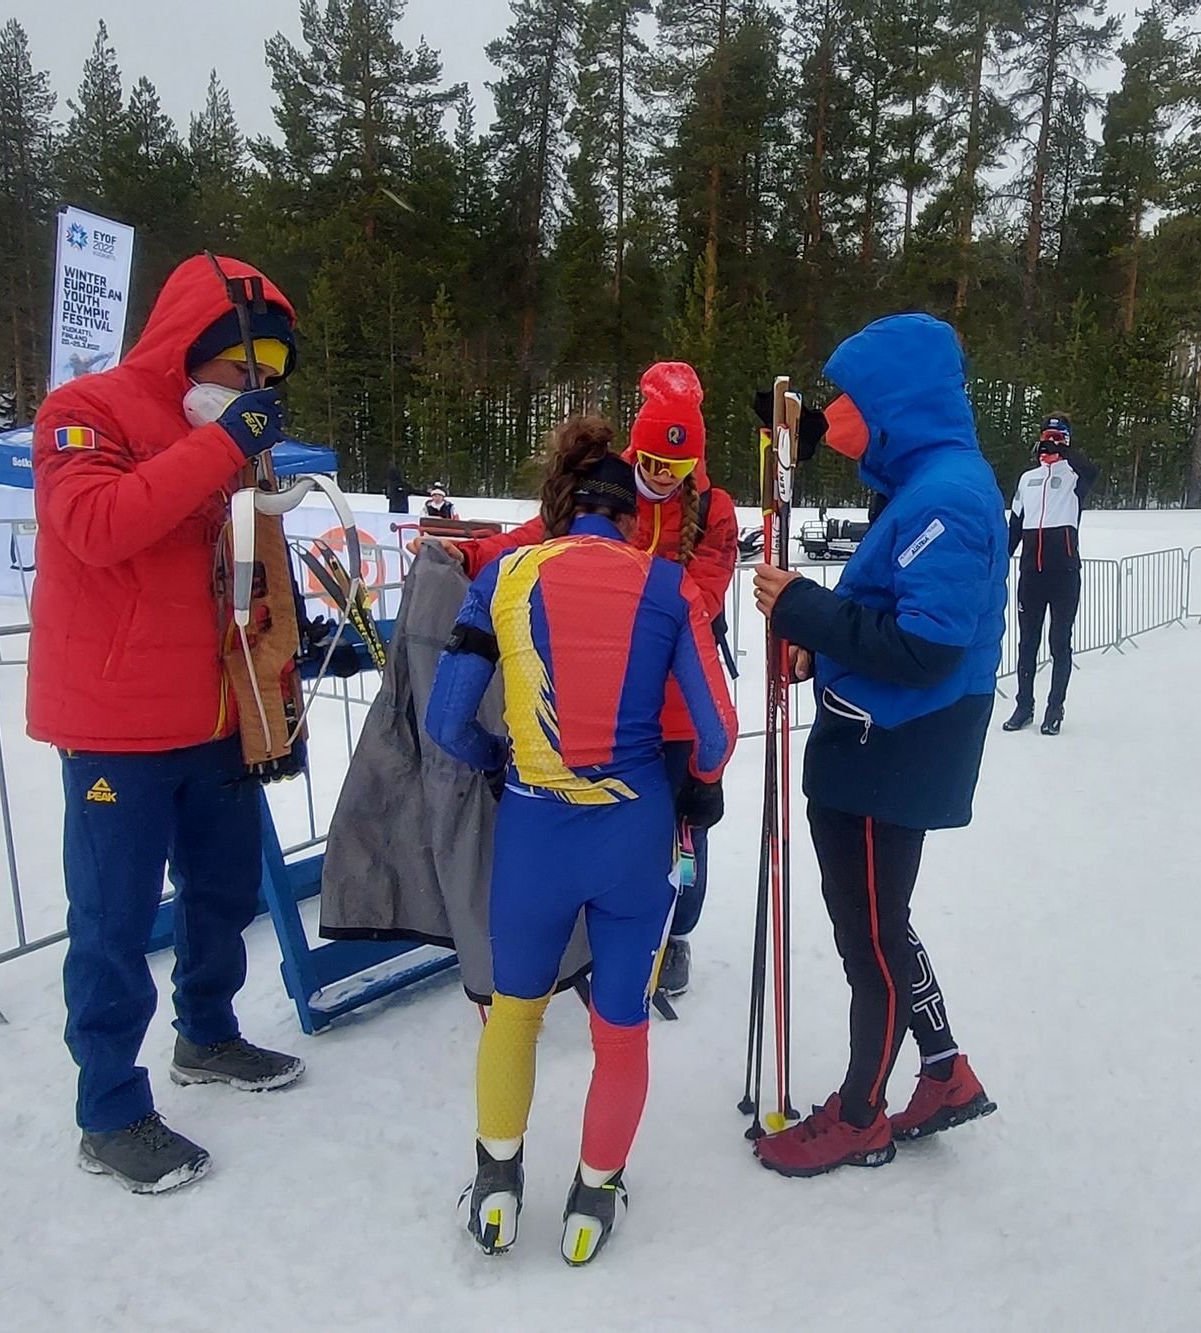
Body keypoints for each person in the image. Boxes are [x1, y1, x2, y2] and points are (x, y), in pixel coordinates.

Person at [426, 420, 736, 1262]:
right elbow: (716, 731)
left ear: (562, 505)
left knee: (514, 1013)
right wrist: (698, 786)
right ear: (631, 515)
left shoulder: (505, 575)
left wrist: (499, 762)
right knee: (620, 1027)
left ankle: (496, 1191)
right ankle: (594, 1199)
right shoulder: (668, 586)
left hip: (535, 830)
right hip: (634, 832)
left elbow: (446, 722)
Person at [29, 254, 305, 1194]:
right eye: (241, 366)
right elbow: (97, 524)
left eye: (270, 373)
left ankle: (208, 1033)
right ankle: (109, 1108)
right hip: (116, 724)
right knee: (112, 921)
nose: (254, 385)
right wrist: (223, 445)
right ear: (192, 346)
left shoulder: (222, 433)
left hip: (216, 709)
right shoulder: (85, 410)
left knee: (222, 892)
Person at [748, 312, 1007, 1177]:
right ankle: (944, 1070)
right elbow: (892, 614)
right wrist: (820, 649)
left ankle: (861, 1114)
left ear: (896, 401)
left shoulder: (948, 498)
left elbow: (927, 647)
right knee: (882, 922)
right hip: (878, 735)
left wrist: (805, 609)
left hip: (889, 748)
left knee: (870, 943)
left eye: (851, 398)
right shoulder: (927, 484)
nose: (837, 414)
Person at [432, 363, 739, 997]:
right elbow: (540, 538)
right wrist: (472, 553)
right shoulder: (610, 484)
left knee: (681, 831)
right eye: (652, 461)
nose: (662, 475)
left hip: (680, 696)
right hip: (605, 688)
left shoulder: (714, 510)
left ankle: (673, 932)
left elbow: (704, 596)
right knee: (592, 819)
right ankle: (594, 934)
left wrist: (639, 599)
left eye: (676, 465)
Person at [1003, 415, 1100, 735]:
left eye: (1059, 438)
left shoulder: (1075, 476)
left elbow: (1092, 471)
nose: (1052, 443)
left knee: (1059, 643)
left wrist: (1064, 453)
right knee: (1027, 643)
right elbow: (1015, 526)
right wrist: (999, 562)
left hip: (1064, 573)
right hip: (1032, 574)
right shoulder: (1027, 479)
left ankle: (1055, 709)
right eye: (1048, 437)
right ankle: (1023, 706)